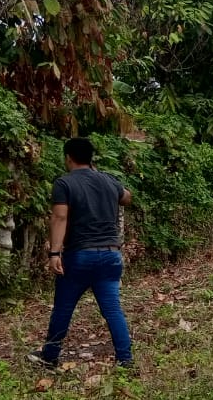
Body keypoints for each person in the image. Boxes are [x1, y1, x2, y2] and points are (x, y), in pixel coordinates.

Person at [28, 137, 134, 370]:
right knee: (112, 309)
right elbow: (127, 197)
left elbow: (60, 217)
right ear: (91, 158)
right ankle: (125, 359)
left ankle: (50, 356)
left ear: (68, 158)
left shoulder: (64, 183)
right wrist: (105, 182)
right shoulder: (108, 180)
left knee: (63, 307)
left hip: (80, 256)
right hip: (111, 255)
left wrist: (54, 253)